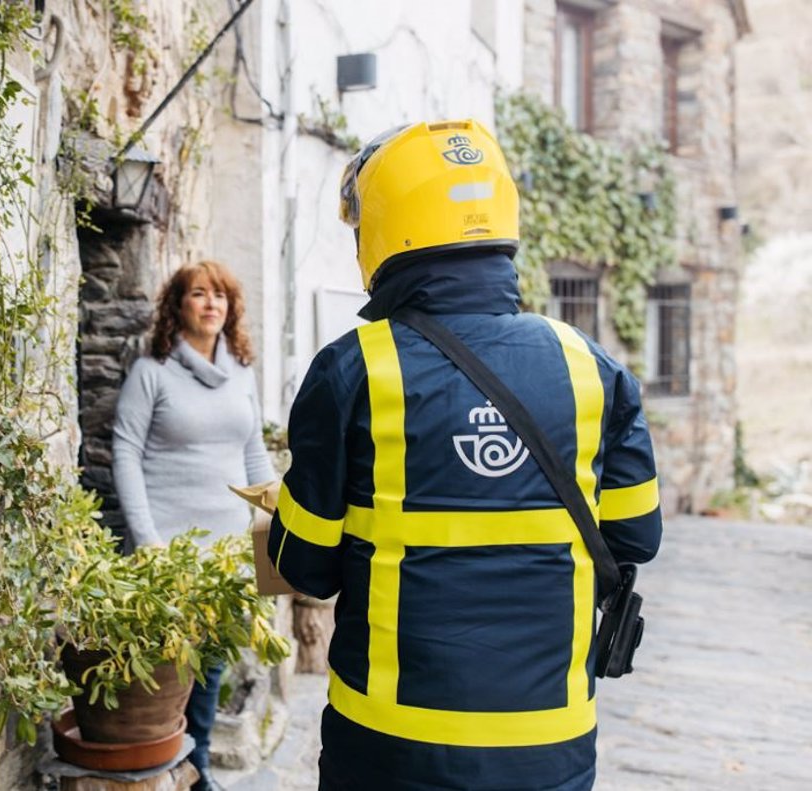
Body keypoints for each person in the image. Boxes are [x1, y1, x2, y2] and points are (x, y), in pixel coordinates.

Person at [268, 120, 663, 790]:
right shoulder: (591, 368)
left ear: (386, 231)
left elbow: (302, 565)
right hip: (550, 745)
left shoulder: (354, 370)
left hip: (392, 746)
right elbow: (636, 537)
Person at [112, 260, 274, 791]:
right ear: (177, 307)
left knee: (210, 665)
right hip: (169, 547)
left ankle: (197, 766)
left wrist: (283, 524)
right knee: (167, 669)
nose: (211, 304)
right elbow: (126, 455)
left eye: (220, 296)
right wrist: (148, 540)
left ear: (230, 309)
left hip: (228, 550)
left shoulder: (243, 371)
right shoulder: (151, 372)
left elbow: (253, 454)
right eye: (199, 294)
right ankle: (163, 767)